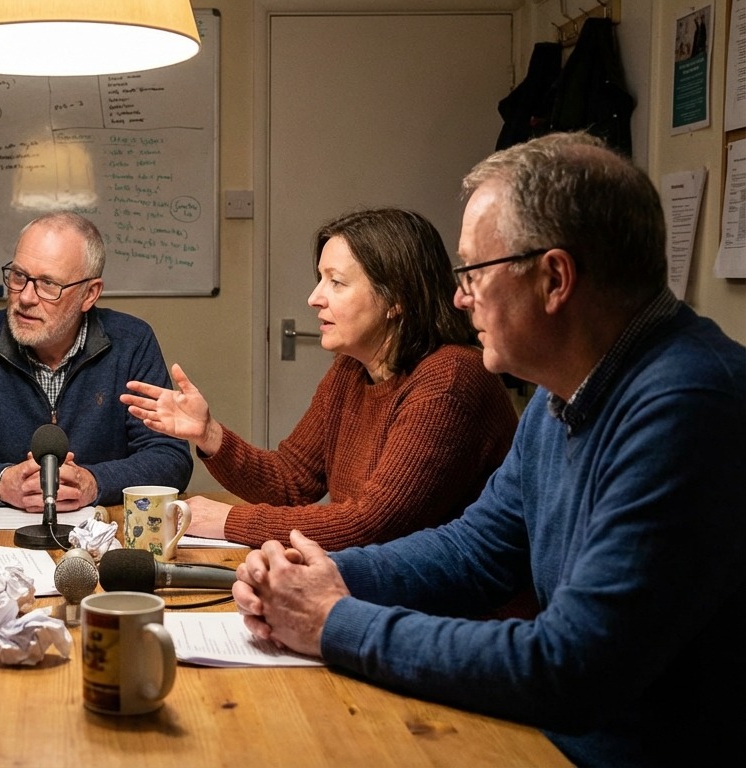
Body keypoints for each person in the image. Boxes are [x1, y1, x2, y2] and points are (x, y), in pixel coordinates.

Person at [233, 133, 746, 767]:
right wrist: (329, 578)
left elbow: (568, 666)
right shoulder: (564, 391)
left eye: (474, 272)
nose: (457, 297)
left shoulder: (687, 406)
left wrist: (331, 621)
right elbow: (474, 551)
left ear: (554, 278)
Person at [122, 208, 517, 549]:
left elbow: (371, 524)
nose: (314, 297)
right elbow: (291, 483)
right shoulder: (351, 370)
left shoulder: (450, 378)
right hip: (385, 592)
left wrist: (227, 522)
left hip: (464, 617)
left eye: (337, 282)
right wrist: (210, 435)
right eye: (320, 279)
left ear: (396, 298)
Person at [0, 211, 192, 511]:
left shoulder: (132, 343)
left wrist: (95, 482)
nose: (26, 297)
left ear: (89, 294)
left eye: (48, 285)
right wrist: (0, 483)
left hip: (101, 536)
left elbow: (170, 457)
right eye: (18, 276)